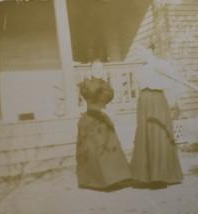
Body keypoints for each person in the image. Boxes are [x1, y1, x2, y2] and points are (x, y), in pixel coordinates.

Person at [130, 45, 185, 185]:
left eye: (142, 51)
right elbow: (139, 86)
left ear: (151, 51)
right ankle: (145, 175)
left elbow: (171, 81)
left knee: (158, 133)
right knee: (145, 133)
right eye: (139, 52)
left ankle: (162, 175)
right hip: (144, 101)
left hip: (156, 99)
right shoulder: (141, 68)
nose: (140, 55)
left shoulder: (161, 65)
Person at [76, 62, 132, 190]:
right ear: (91, 70)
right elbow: (84, 97)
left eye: (101, 69)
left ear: (103, 71)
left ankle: (112, 178)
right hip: (89, 117)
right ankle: (92, 180)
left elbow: (105, 99)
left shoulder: (105, 85)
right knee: (90, 149)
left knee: (106, 146)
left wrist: (103, 107)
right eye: (95, 68)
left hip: (101, 116)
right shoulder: (85, 84)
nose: (98, 71)